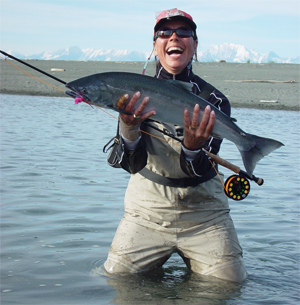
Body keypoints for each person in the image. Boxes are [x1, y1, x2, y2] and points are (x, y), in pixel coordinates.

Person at [104, 8, 247, 282]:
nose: (174, 37)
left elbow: (200, 168)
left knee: (228, 285)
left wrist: (193, 148)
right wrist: (128, 126)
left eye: (184, 32)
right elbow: (131, 164)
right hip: (146, 210)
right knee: (117, 279)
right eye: (165, 32)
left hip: (205, 214)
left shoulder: (214, 100)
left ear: (194, 45)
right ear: (155, 45)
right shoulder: (133, 92)